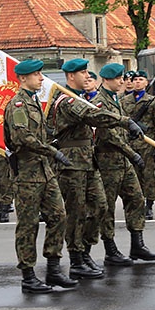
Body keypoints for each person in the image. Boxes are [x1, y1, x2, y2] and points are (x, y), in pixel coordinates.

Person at [51, 58, 141, 273]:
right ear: (71, 76)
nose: (88, 77)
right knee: (76, 212)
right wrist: (124, 121)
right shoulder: (68, 100)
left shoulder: (79, 98)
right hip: (72, 163)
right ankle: (76, 259)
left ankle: (86, 252)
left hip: (87, 161)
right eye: (83, 73)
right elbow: (92, 115)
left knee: (99, 206)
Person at [3, 59, 77, 293]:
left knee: (59, 216)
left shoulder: (34, 103)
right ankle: (28, 276)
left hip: (45, 172)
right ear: (23, 78)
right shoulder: (17, 106)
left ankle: (54, 269)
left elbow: (41, 134)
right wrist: (53, 151)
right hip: (27, 174)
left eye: (40, 74)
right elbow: (22, 138)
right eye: (36, 75)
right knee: (28, 224)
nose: (41, 79)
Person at [95, 63, 155, 262]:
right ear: (107, 80)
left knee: (136, 199)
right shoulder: (99, 102)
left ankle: (137, 245)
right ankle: (110, 249)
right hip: (109, 161)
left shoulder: (117, 100)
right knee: (107, 206)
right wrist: (132, 153)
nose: (123, 82)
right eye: (118, 78)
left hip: (123, 160)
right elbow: (109, 135)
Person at [121, 69, 155, 220]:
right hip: (129, 145)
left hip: (147, 145)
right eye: (135, 80)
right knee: (131, 177)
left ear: (146, 83)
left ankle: (149, 206)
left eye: (141, 80)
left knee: (148, 177)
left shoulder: (152, 102)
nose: (137, 82)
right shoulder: (124, 101)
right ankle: (133, 205)